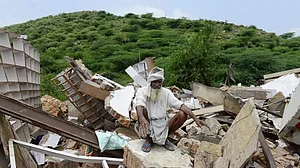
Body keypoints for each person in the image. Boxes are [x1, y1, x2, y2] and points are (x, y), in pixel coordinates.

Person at [134, 67, 206, 152]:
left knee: (182, 114)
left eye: (159, 82)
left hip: (163, 123)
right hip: (148, 123)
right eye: (154, 82)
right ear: (150, 82)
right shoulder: (142, 91)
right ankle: (148, 140)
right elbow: (139, 104)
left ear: (162, 82)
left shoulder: (166, 92)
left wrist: (195, 118)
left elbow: (180, 105)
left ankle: (165, 139)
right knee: (142, 111)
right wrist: (142, 119)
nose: (157, 84)